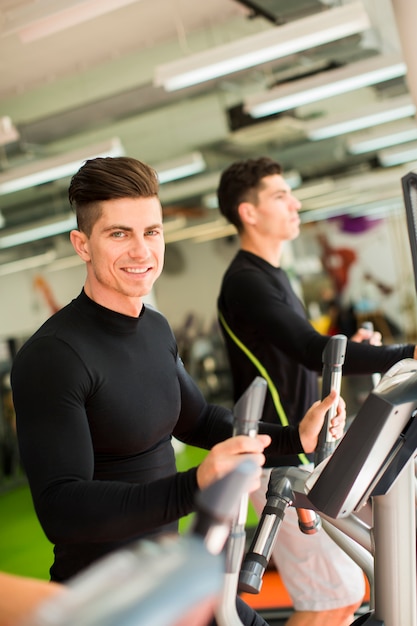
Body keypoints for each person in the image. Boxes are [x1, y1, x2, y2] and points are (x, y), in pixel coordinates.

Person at [10, 156, 346, 626]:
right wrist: (196, 485)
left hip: (168, 575)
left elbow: (200, 420)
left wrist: (295, 439)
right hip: (109, 601)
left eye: (152, 232)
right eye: (119, 233)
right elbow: (62, 509)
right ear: (82, 245)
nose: (141, 251)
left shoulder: (155, 329)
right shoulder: (54, 356)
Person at [216, 156, 417, 626]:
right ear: (249, 212)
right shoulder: (246, 282)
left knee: (350, 591)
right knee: (334, 598)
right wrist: (404, 353)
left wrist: (363, 355)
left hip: (305, 455)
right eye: (280, 196)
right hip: (277, 463)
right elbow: (311, 349)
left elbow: (304, 358)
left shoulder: (273, 276)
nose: (295, 203)